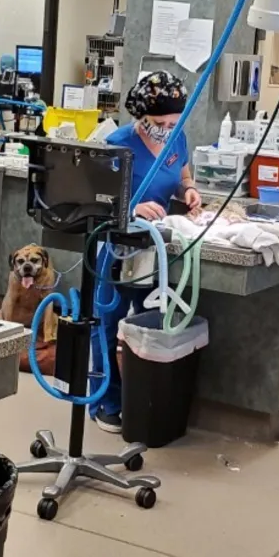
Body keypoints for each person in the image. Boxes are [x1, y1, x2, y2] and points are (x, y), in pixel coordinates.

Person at [90, 71, 202, 433]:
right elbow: (97, 194)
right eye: (158, 123)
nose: (166, 129)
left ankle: (143, 398)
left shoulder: (177, 138)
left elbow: (183, 173)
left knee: (149, 320)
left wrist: (188, 190)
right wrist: (132, 209)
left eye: (172, 122)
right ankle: (106, 402)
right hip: (117, 244)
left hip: (155, 246)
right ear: (141, 115)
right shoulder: (118, 143)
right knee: (109, 321)